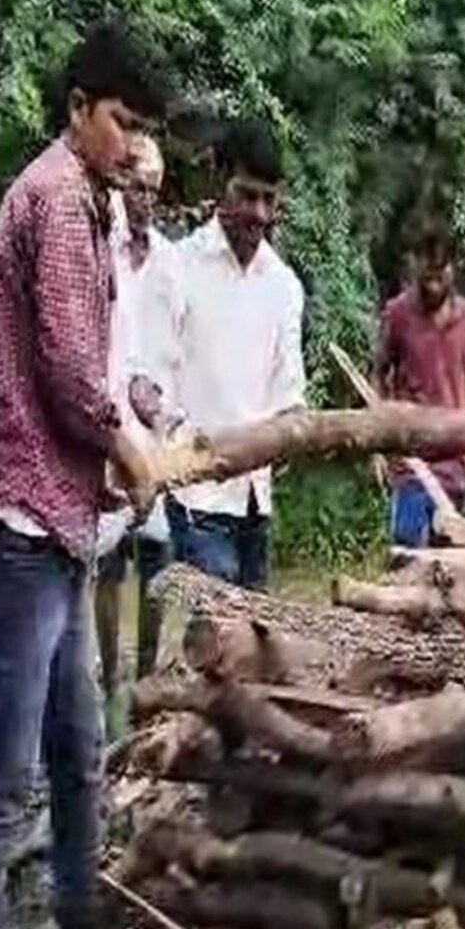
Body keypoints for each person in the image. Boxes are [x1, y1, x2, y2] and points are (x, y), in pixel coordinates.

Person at [0, 19, 178, 929]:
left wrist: (130, 411)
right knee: (4, 769)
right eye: (122, 123)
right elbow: (65, 375)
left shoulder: (91, 205)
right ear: (81, 104)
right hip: (15, 521)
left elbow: (99, 370)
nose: (133, 146)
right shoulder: (48, 198)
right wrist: (130, 445)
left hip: (64, 518)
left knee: (79, 749)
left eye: (141, 131)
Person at [164, 118, 304, 589]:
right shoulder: (179, 268)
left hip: (255, 499)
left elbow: (289, 392)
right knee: (220, 637)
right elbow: (153, 378)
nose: (260, 213)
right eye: (247, 194)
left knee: (254, 642)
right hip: (196, 496)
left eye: (270, 198)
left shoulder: (284, 286)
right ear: (218, 183)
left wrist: (291, 434)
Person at [94, 133, 184, 731]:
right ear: (117, 186)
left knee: (157, 555)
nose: (143, 200)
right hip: (105, 422)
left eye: (152, 190)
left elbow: (179, 348)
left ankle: (148, 679)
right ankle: (108, 679)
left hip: (158, 426)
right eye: (134, 187)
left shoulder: (172, 263)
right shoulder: (99, 248)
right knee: (106, 561)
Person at [370, 224, 465, 547]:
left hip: (457, 464)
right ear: (414, 264)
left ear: (454, 269)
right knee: (407, 558)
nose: (434, 280)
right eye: (427, 269)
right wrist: (379, 447)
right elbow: (378, 375)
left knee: (451, 570)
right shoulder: (397, 314)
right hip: (412, 464)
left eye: (441, 270)